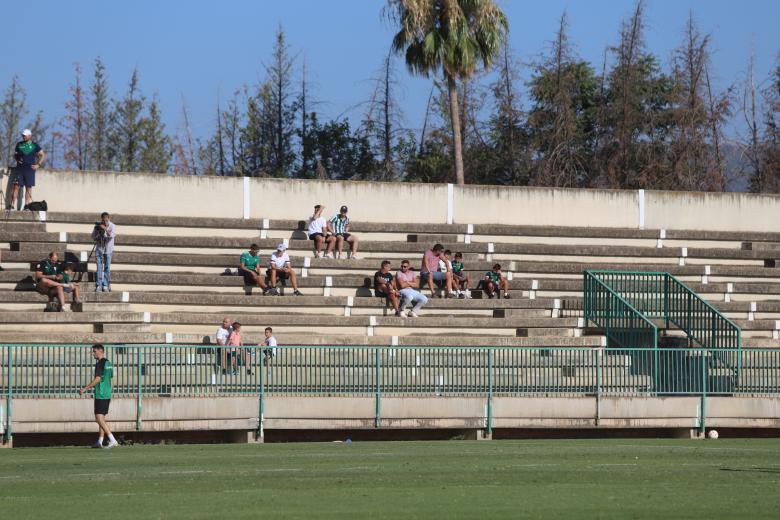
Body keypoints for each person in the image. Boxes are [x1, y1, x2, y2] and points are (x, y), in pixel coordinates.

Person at [78, 344, 118, 449]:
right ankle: (100, 441)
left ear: (101, 351)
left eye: (94, 351)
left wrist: (85, 388)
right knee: (102, 418)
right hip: (107, 393)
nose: (93, 354)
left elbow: (98, 379)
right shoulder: (108, 363)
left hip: (101, 393)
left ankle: (112, 440)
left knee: (98, 418)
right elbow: (111, 378)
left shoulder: (100, 363)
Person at [10, 129, 45, 210]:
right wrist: (17, 159)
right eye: (23, 135)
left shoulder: (34, 145)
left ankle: (26, 206)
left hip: (29, 169)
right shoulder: (19, 144)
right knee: (16, 186)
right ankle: (12, 205)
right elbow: (15, 155)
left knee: (28, 187)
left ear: (30, 136)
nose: (23, 136)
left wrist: (38, 165)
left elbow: (42, 155)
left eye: (25, 135)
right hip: (20, 169)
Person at [90, 212, 117, 292]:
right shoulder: (98, 226)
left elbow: (111, 235)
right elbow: (92, 236)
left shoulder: (112, 226)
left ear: (109, 218)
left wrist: (105, 228)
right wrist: (97, 235)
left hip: (108, 249)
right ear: (101, 219)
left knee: (107, 267)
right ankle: (99, 285)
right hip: (99, 249)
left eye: (106, 219)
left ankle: (105, 285)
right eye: (103, 219)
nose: (105, 221)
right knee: (99, 267)